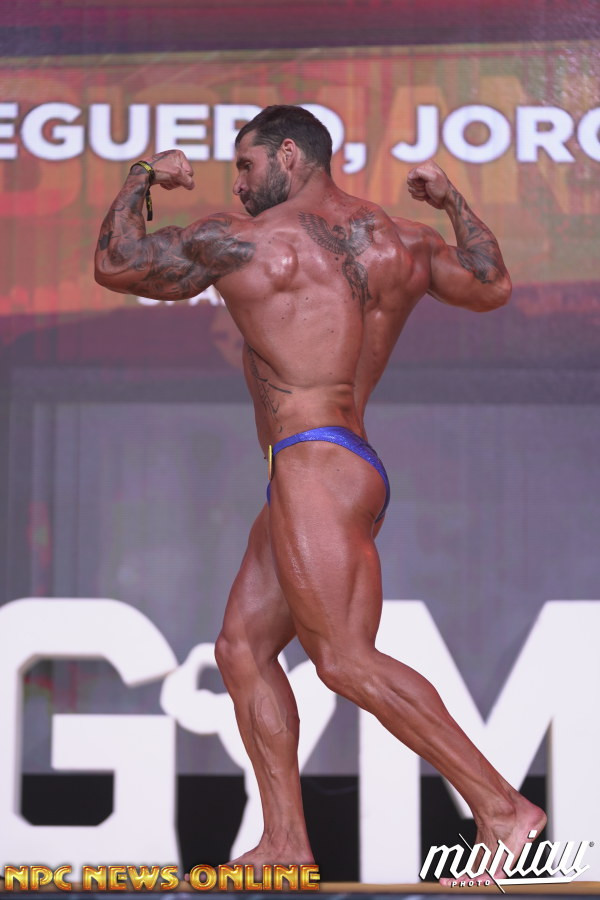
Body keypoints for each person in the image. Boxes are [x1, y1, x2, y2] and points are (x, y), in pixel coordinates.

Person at [95, 105, 545, 876]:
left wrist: (143, 176)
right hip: (340, 461)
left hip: (309, 462)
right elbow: (490, 284)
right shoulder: (403, 241)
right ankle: (285, 843)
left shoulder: (246, 242)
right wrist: (452, 203)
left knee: (342, 659)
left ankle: (502, 808)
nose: (239, 185)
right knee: (242, 649)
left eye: (246, 167)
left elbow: (117, 263)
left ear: (289, 155)